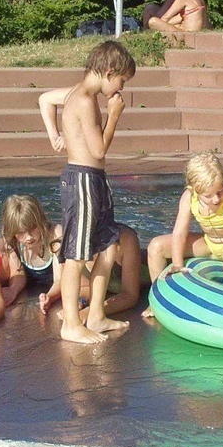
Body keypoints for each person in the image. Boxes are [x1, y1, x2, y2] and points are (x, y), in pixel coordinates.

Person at [38, 40, 136, 344]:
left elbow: (44, 99)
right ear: (109, 71)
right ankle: (71, 323)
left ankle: (95, 315)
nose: (121, 88)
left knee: (109, 246)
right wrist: (115, 115)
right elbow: (99, 149)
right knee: (77, 254)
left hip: (94, 179)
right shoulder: (84, 101)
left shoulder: (75, 93)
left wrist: (55, 135)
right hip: (82, 180)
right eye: (121, 80)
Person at [145, 151, 223, 296]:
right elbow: (180, 233)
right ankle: (159, 296)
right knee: (156, 246)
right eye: (208, 195)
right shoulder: (189, 197)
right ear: (193, 188)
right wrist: (177, 264)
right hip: (208, 243)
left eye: (220, 191)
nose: (216, 199)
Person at [0, 194, 143, 317]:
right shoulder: (75, 242)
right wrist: (80, 303)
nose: (29, 237)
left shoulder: (126, 239)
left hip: (144, 274)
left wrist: (89, 313)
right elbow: (85, 287)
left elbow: (129, 296)